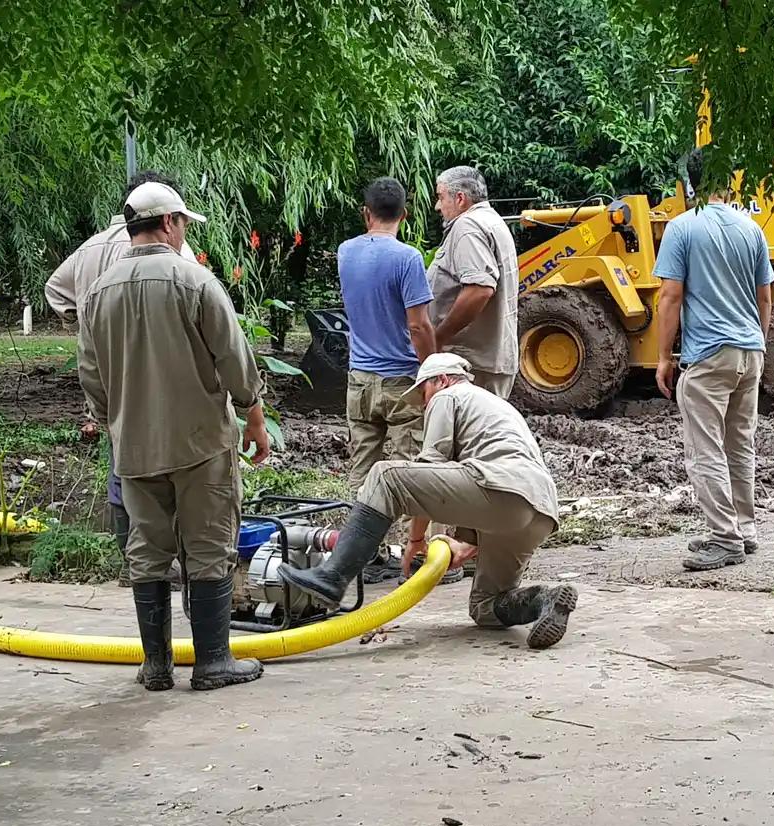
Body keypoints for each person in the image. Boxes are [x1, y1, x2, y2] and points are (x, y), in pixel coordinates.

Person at [77, 178, 271, 692]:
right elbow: (233, 359)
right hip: (200, 443)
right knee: (209, 544)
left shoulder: (98, 292)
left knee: (146, 548)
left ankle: (156, 666)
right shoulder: (196, 281)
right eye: (183, 222)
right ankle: (212, 662)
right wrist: (252, 415)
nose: (184, 231)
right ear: (168, 222)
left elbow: (90, 374)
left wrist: (115, 422)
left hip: (134, 447)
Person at [276, 352, 576, 650]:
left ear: (442, 379)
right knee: (485, 607)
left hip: (501, 487)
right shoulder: (498, 407)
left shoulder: (449, 396)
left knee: (385, 476)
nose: (423, 403)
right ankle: (544, 600)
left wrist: (416, 540)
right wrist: (465, 543)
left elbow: (431, 464)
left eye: (423, 392)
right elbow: (477, 482)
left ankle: (331, 577)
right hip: (539, 510)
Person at [46, 170, 199, 587]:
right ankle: (162, 563)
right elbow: (196, 302)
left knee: (123, 462)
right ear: (167, 216)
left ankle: (132, 562)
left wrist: (84, 325)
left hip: (108, 376)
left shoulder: (90, 247)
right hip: (160, 379)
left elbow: (55, 290)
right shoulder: (171, 252)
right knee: (169, 471)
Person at [652, 148, 774, 572]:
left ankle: (724, 538)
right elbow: (764, 298)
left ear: (691, 184)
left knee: (705, 450)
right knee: (740, 444)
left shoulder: (682, 228)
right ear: (729, 180)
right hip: (750, 352)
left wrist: (663, 357)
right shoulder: (751, 228)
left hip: (708, 355)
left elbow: (670, 297)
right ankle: (744, 528)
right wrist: (758, 344)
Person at [335, 176, 452, 585]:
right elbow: (418, 325)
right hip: (402, 379)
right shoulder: (407, 259)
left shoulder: (345, 252)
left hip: (359, 378)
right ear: (405, 214)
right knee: (413, 468)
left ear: (366, 213)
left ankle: (366, 556)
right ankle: (415, 557)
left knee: (363, 471)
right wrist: (432, 370)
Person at [428, 166, 519, 398]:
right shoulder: (491, 221)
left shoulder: (467, 226)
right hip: (485, 360)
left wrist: (438, 337)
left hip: (470, 366)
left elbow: (479, 290)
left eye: (441, 197)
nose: (438, 206)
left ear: (460, 198)